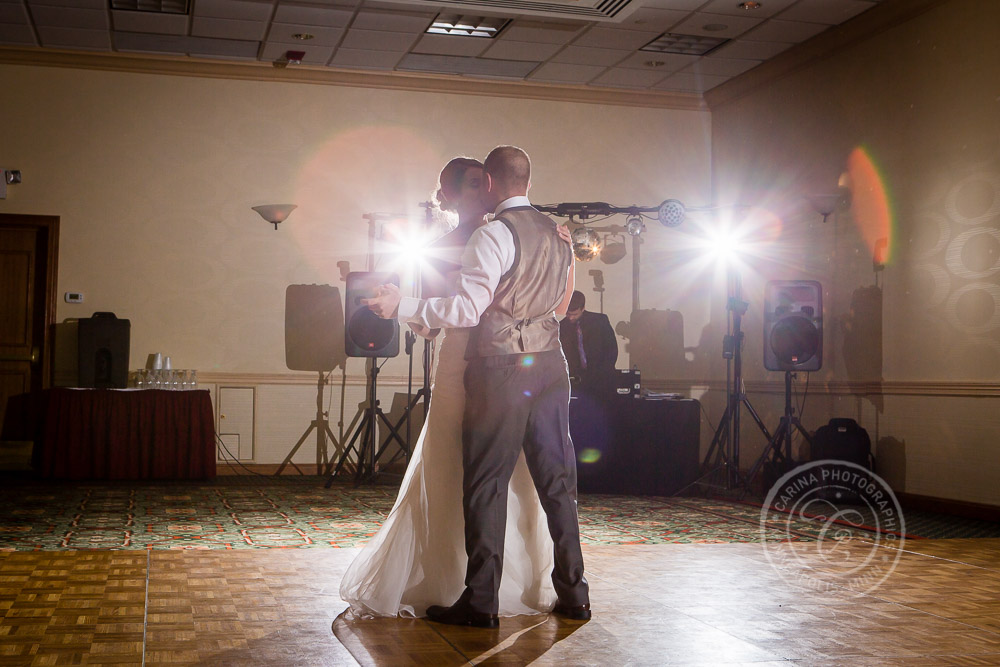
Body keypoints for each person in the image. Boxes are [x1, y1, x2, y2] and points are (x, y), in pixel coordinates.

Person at [364, 145, 591, 628]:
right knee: (557, 482)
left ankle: (482, 600)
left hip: (501, 367)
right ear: (529, 179)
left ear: (489, 182)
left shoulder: (494, 234)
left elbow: (467, 311)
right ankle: (575, 593)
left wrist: (404, 305)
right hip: (551, 364)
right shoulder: (559, 233)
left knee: (486, 482)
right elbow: (562, 301)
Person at [559, 290, 618, 394]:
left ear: (583, 309)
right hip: (576, 380)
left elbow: (612, 349)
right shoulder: (562, 327)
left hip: (602, 378)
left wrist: (604, 371)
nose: (571, 317)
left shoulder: (600, 321)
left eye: (575, 314)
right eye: (568, 314)